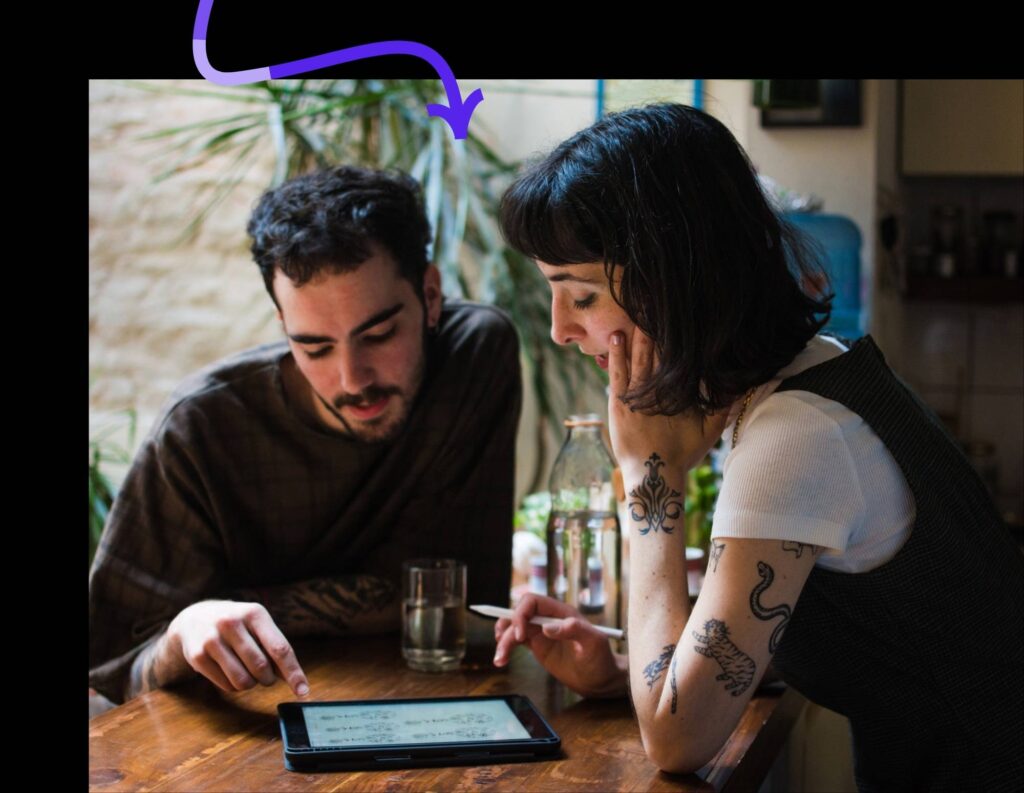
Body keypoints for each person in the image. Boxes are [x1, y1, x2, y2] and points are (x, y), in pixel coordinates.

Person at [492, 103, 1023, 792]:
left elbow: (676, 738)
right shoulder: (818, 372)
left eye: (583, 296)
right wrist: (628, 669)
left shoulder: (797, 433)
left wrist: (649, 473)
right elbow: (765, 643)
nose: (562, 330)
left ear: (674, 283)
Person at [89, 165, 522, 706]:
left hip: (428, 703)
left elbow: (466, 601)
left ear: (431, 296)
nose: (353, 379)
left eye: (380, 334)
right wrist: (185, 632)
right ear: (282, 325)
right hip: (241, 735)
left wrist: (252, 601)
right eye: (314, 347)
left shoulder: (472, 357)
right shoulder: (200, 428)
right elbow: (113, 670)